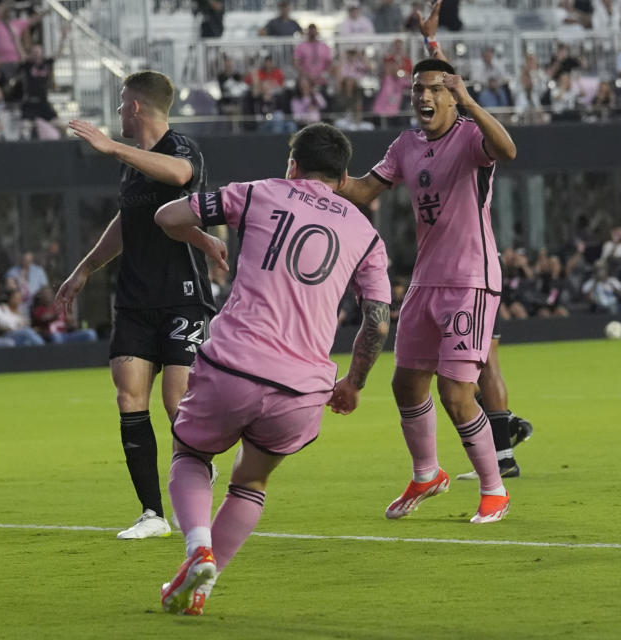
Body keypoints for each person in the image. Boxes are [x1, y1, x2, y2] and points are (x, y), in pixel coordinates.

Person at [155, 122, 391, 616]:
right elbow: (377, 323)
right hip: (302, 390)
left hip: (233, 365)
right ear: (344, 178)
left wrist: (203, 241)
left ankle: (198, 548)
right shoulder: (366, 234)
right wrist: (353, 382)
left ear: (292, 165)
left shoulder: (259, 193)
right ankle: (203, 583)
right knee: (251, 482)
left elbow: (167, 214)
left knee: (191, 454)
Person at [337, 54, 517, 524]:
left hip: (470, 281)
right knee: (405, 383)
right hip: (424, 281)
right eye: (418, 88)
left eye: (435, 88)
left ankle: (494, 490)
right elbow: (361, 191)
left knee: (458, 394)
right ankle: (427, 474)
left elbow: (509, 149)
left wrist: (470, 101)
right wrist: (320, 176)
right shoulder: (405, 145)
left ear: (452, 94)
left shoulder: (472, 137)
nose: (424, 96)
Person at [57, 71, 215, 540]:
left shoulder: (180, 148)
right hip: (134, 298)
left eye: (124, 102)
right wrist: (85, 268)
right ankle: (152, 513)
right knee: (129, 396)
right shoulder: (132, 167)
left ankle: (199, 474)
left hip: (182, 293)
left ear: (138, 107)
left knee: (176, 403)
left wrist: (111, 147)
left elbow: (181, 177)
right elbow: (126, 223)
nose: (120, 111)